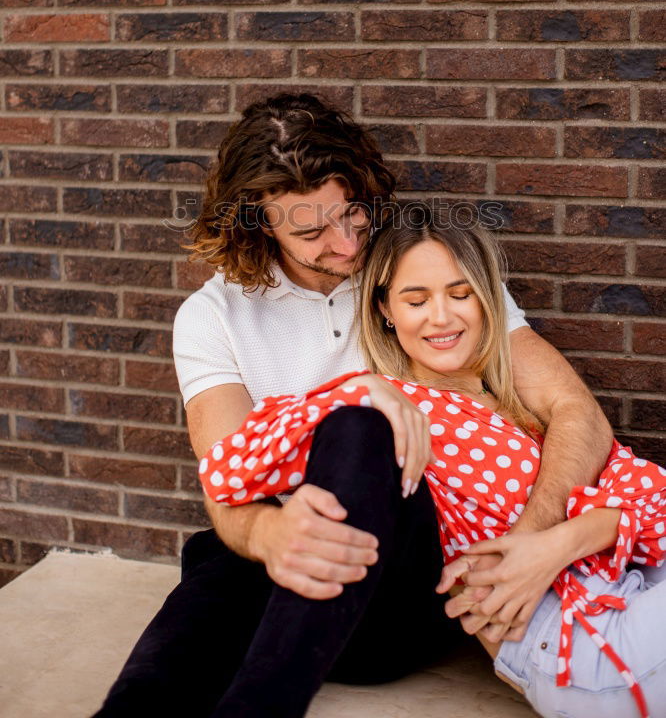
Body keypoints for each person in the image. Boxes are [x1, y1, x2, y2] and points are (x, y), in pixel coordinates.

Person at [94, 93, 613, 717]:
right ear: (257, 226)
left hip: (404, 593)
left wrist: (530, 540)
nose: (344, 246)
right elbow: (225, 480)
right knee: (222, 560)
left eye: (353, 216)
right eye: (310, 231)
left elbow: (576, 411)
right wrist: (273, 532)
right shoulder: (213, 316)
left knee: (362, 427)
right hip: (288, 578)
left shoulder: (428, 273)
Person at [198, 212, 666, 718]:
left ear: (488, 301)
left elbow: (650, 490)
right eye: (416, 300)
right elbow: (226, 470)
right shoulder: (398, 411)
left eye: (460, 294)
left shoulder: (520, 409)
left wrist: (554, 544)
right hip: (579, 640)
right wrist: (352, 389)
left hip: (637, 590)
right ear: (385, 310)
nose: (441, 318)